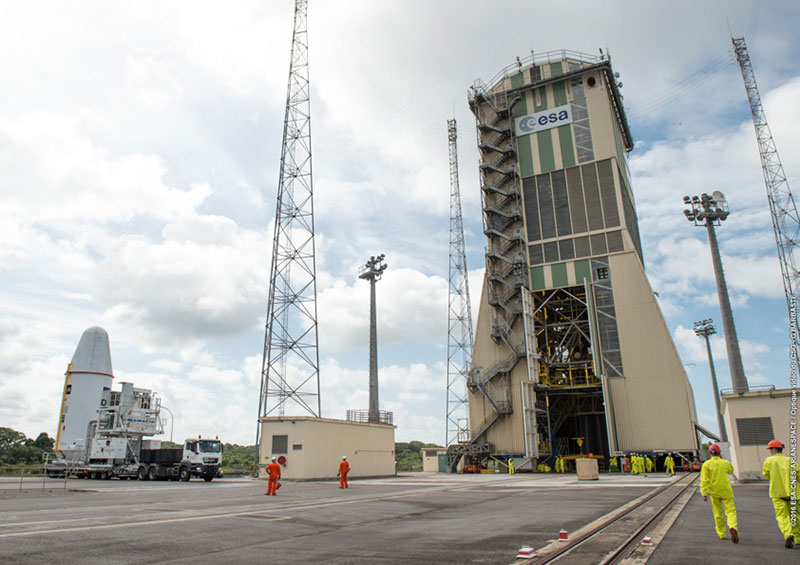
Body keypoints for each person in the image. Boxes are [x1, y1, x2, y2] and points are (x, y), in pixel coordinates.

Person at [762, 439, 800, 548]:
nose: (770, 451)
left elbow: (766, 474)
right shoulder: (790, 460)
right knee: (795, 516)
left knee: (782, 516)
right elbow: (798, 474)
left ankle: (788, 534)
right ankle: (798, 538)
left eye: (770, 449)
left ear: (774, 449)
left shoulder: (769, 461)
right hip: (793, 493)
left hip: (777, 492)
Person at [700, 443, 738, 543]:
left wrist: (703, 492)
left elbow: (704, 480)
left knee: (717, 513)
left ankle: (721, 534)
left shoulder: (706, 464)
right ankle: (732, 526)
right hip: (726, 491)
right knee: (730, 511)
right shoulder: (725, 463)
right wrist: (722, 459)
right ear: (719, 452)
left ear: (710, 453)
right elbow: (731, 470)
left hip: (714, 492)